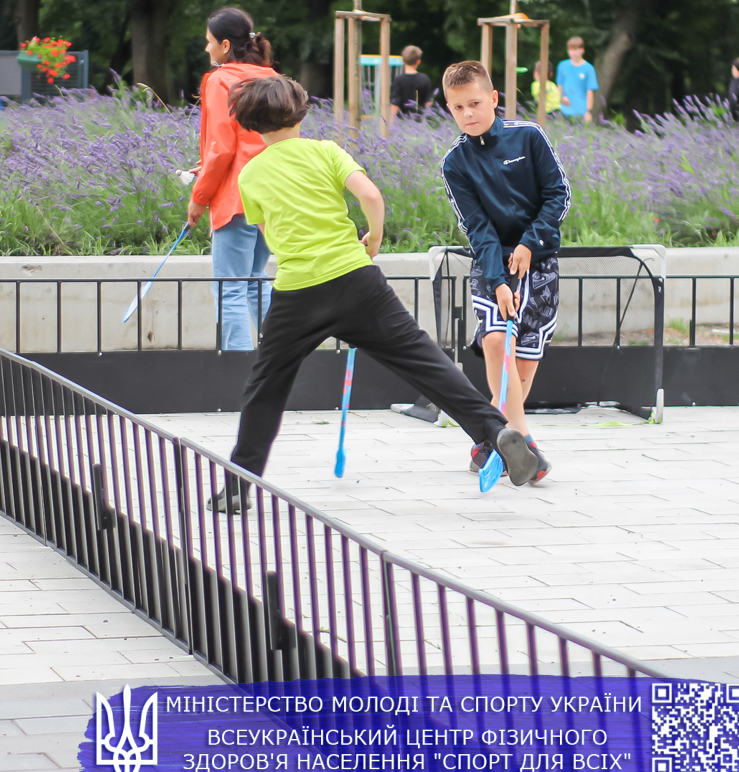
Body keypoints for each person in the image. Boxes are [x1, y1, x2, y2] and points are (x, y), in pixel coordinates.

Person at [213, 75, 539, 511]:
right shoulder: (326, 151)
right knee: (424, 361)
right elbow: (369, 194)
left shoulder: (251, 174)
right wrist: (375, 238)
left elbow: (266, 229)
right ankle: (494, 430)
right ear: (301, 112)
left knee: (265, 387)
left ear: (250, 124)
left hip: (297, 294)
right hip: (356, 280)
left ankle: (237, 488)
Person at [440, 61, 571, 481]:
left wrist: (531, 243)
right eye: (458, 107)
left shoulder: (529, 136)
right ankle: (527, 446)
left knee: (521, 371)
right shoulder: (454, 162)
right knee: (496, 339)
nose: (468, 114)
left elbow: (558, 195)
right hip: (491, 262)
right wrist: (497, 280)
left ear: (494, 99)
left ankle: (490, 443)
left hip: (541, 260)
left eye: (475, 103)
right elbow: (476, 227)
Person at [187, 7, 277, 351]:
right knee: (255, 280)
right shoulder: (270, 76)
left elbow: (221, 148)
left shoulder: (220, 79)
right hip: (271, 195)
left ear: (225, 45)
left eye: (209, 41)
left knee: (230, 288)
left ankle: (238, 372)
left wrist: (199, 196)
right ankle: (280, 359)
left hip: (235, 197)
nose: (206, 48)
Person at [555, 36, 598, 123]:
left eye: (576, 50)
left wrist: (588, 111)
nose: (574, 53)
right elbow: (559, 86)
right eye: (571, 50)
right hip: (563, 110)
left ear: (582, 50)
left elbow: (590, 91)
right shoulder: (562, 65)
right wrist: (561, 100)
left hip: (581, 112)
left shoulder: (589, 68)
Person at [390, 45, 434, 116]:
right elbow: (428, 102)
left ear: (403, 61)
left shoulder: (398, 79)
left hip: (402, 120)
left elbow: (395, 103)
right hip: (419, 120)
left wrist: (391, 120)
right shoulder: (425, 78)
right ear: (418, 62)